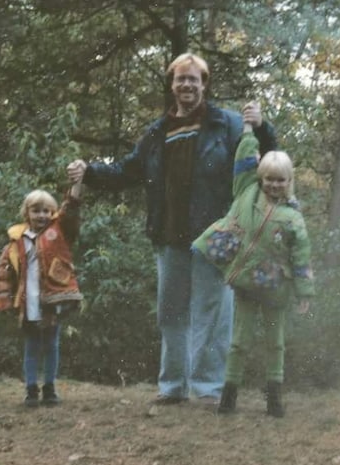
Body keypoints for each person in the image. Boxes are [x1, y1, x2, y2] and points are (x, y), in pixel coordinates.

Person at [66, 52, 277, 406]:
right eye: (181, 79)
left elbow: (266, 163)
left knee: (212, 314)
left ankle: (208, 389)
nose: (187, 85)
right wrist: (89, 172)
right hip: (169, 234)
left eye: (194, 79)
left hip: (217, 235)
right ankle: (173, 387)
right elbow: (127, 170)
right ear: (172, 84)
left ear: (204, 84)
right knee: (171, 313)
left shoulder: (227, 124)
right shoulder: (157, 132)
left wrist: (263, 127)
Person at [191, 121, 314, 417]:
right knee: (239, 342)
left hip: (275, 288)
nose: (274, 185)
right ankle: (228, 396)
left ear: (289, 181)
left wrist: (304, 293)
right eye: (269, 179)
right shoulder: (246, 191)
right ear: (260, 177)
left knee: (275, 343)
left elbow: (301, 258)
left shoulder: (293, 219)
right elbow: (245, 157)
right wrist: (248, 128)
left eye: (280, 180)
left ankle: (274, 398)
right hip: (246, 283)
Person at [0, 182, 84, 407]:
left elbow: (70, 211)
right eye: (36, 210)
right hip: (28, 301)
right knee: (31, 345)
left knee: (51, 344)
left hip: (52, 299)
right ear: (27, 213)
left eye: (47, 211)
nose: (41, 215)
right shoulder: (17, 241)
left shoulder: (59, 232)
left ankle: (49, 388)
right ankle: (31, 390)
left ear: (53, 213)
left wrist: (76, 187)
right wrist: (4, 297)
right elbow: (4, 272)